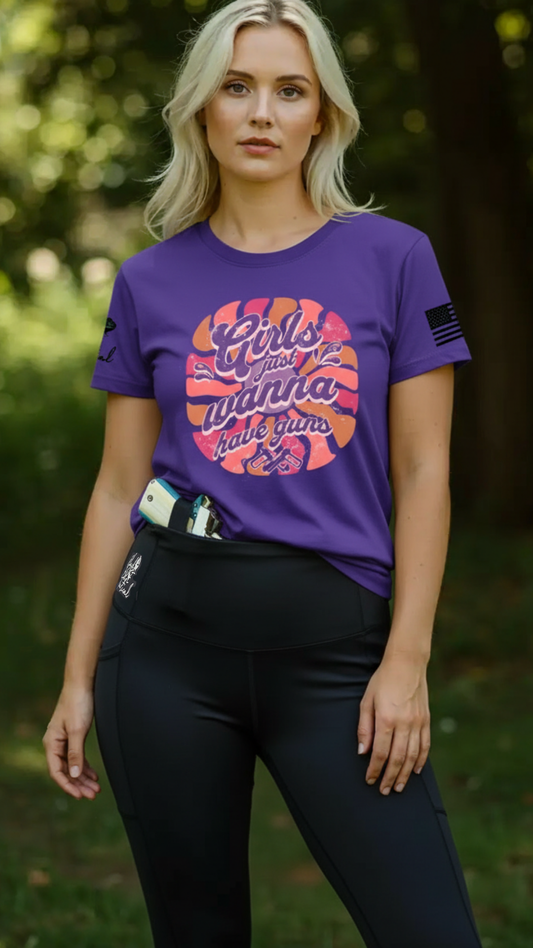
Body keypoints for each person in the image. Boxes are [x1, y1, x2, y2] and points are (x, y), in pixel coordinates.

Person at [43, 1, 484, 945]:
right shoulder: (150, 280)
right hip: (162, 658)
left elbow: (423, 469)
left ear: (322, 116)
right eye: (236, 87)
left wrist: (405, 660)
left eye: (289, 91)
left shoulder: (394, 259)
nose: (260, 114)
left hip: (337, 660)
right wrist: (77, 678)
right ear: (201, 107)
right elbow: (118, 489)